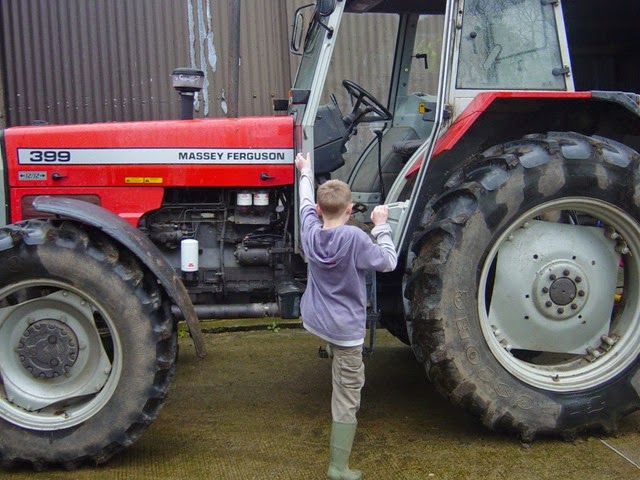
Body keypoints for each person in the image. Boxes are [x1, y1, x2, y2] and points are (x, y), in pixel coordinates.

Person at [295, 152, 398, 480]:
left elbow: (304, 201)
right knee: (347, 394)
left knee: (329, 335)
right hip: (346, 329)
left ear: (319, 211)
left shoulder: (309, 231)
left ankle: (327, 345)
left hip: (317, 318)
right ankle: (338, 467)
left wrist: (306, 170)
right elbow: (388, 262)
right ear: (351, 210)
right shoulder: (355, 237)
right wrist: (382, 227)